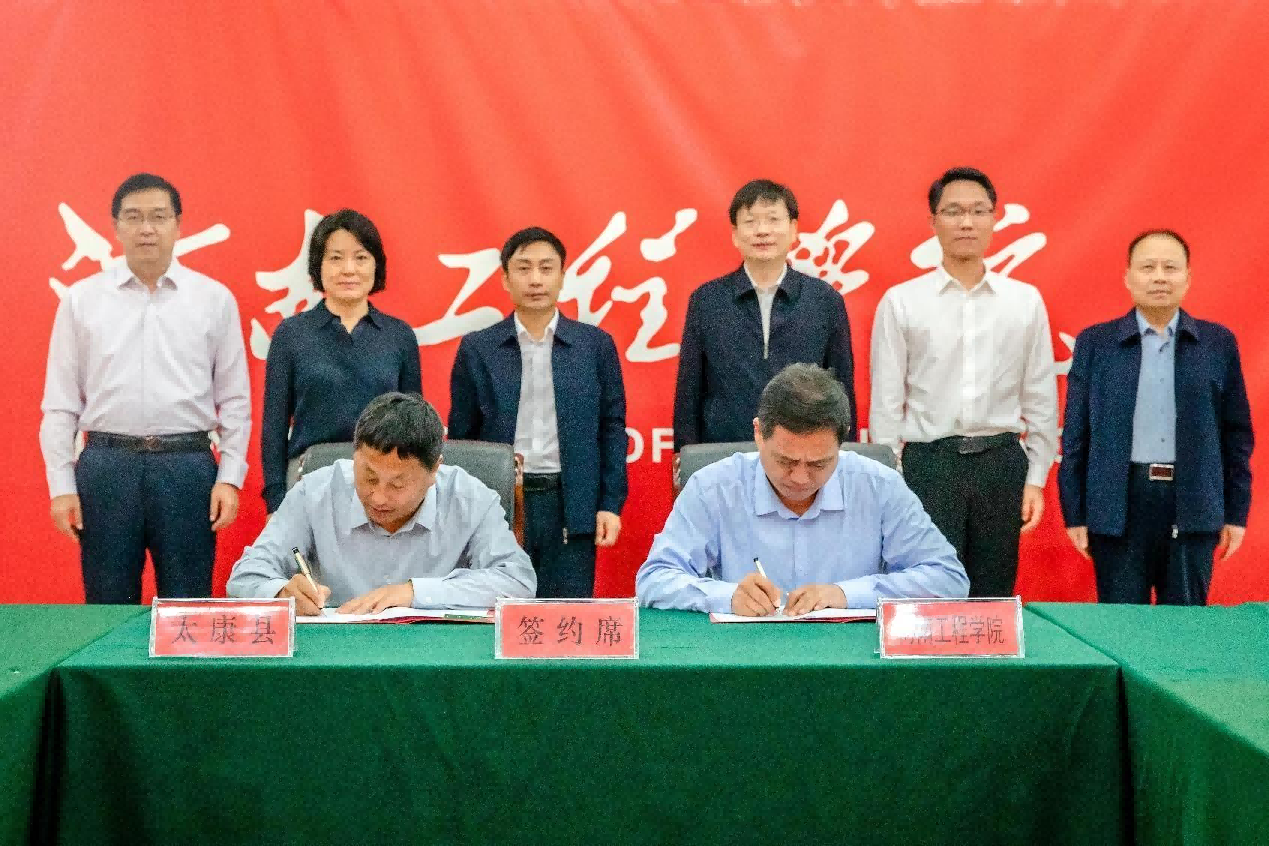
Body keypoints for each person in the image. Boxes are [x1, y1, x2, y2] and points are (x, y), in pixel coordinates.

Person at [39, 173, 251, 603]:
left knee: (187, 604)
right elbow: (60, 404)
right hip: (107, 466)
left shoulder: (214, 300)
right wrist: (61, 486)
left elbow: (234, 400)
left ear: (178, 225)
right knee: (108, 606)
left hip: (187, 466)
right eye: (133, 217)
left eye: (159, 217)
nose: (147, 228)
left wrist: (230, 478)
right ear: (115, 226)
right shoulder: (82, 300)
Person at [637, 364, 966, 615]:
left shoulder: (880, 487)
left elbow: (948, 579)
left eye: (819, 464)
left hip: (851, 661)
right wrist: (726, 596)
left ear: (842, 442)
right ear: (758, 434)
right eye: (786, 460)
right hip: (744, 658)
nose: (800, 478)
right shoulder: (713, 488)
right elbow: (654, 579)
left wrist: (846, 595)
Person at [869, 166, 1058, 598]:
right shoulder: (902, 301)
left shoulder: (1024, 301)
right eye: (953, 212)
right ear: (933, 222)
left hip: (1001, 462)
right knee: (928, 591)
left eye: (978, 211)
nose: (966, 222)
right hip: (929, 464)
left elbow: (1041, 396)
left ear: (994, 219)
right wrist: (892, 479)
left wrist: (1035, 478)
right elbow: (887, 401)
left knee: (993, 595)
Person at [1059, 230, 1253, 605]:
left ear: (1188, 277)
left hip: (1193, 502)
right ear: (1128, 277)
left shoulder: (1217, 343)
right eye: (1148, 267)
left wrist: (1236, 512)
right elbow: (1076, 435)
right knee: (1122, 623)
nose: (1159, 277)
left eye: (1170, 268)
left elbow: (1236, 436)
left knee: (1184, 625)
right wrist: (1076, 513)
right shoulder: (1096, 343)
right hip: (1118, 504)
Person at [227, 392, 535, 613]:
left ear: (434, 470)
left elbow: (517, 581)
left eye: (398, 484)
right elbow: (246, 575)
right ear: (354, 455)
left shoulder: (470, 499)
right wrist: (280, 592)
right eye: (369, 477)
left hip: (434, 657)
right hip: (337, 655)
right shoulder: (315, 492)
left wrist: (414, 593)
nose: (378, 497)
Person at [448, 227, 627, 597]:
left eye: (546, 268)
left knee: (566, 615)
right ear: (505, 278)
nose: (535, 279)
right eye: (523, 268)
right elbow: (464, 439)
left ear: (562, 276)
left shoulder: (594, 346)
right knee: (495, 610)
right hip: (499, 502)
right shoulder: (478, 349)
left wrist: (609, 504)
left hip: (570, 502)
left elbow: (611, 429)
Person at [673, 179, 856, 451]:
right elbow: (689, 390)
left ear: (793, 229)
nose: (762, 231)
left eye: (773, 219)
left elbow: (842, 388)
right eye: (750, 222)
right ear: (735, 234)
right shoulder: (707, 301)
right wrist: (684, 453)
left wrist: (845, 453)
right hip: (724, 453)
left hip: (803, 454)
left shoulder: (824, 300)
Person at [260, 209, 421, 514]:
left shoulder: (399, 336)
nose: (349, 269)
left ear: (376, 265)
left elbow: (415, 426)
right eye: (335, 258)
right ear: (318, 266)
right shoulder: (291, 335)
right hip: (310, 481)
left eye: (360, 258)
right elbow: (274, 427)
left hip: (384, 484)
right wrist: (275, 502)